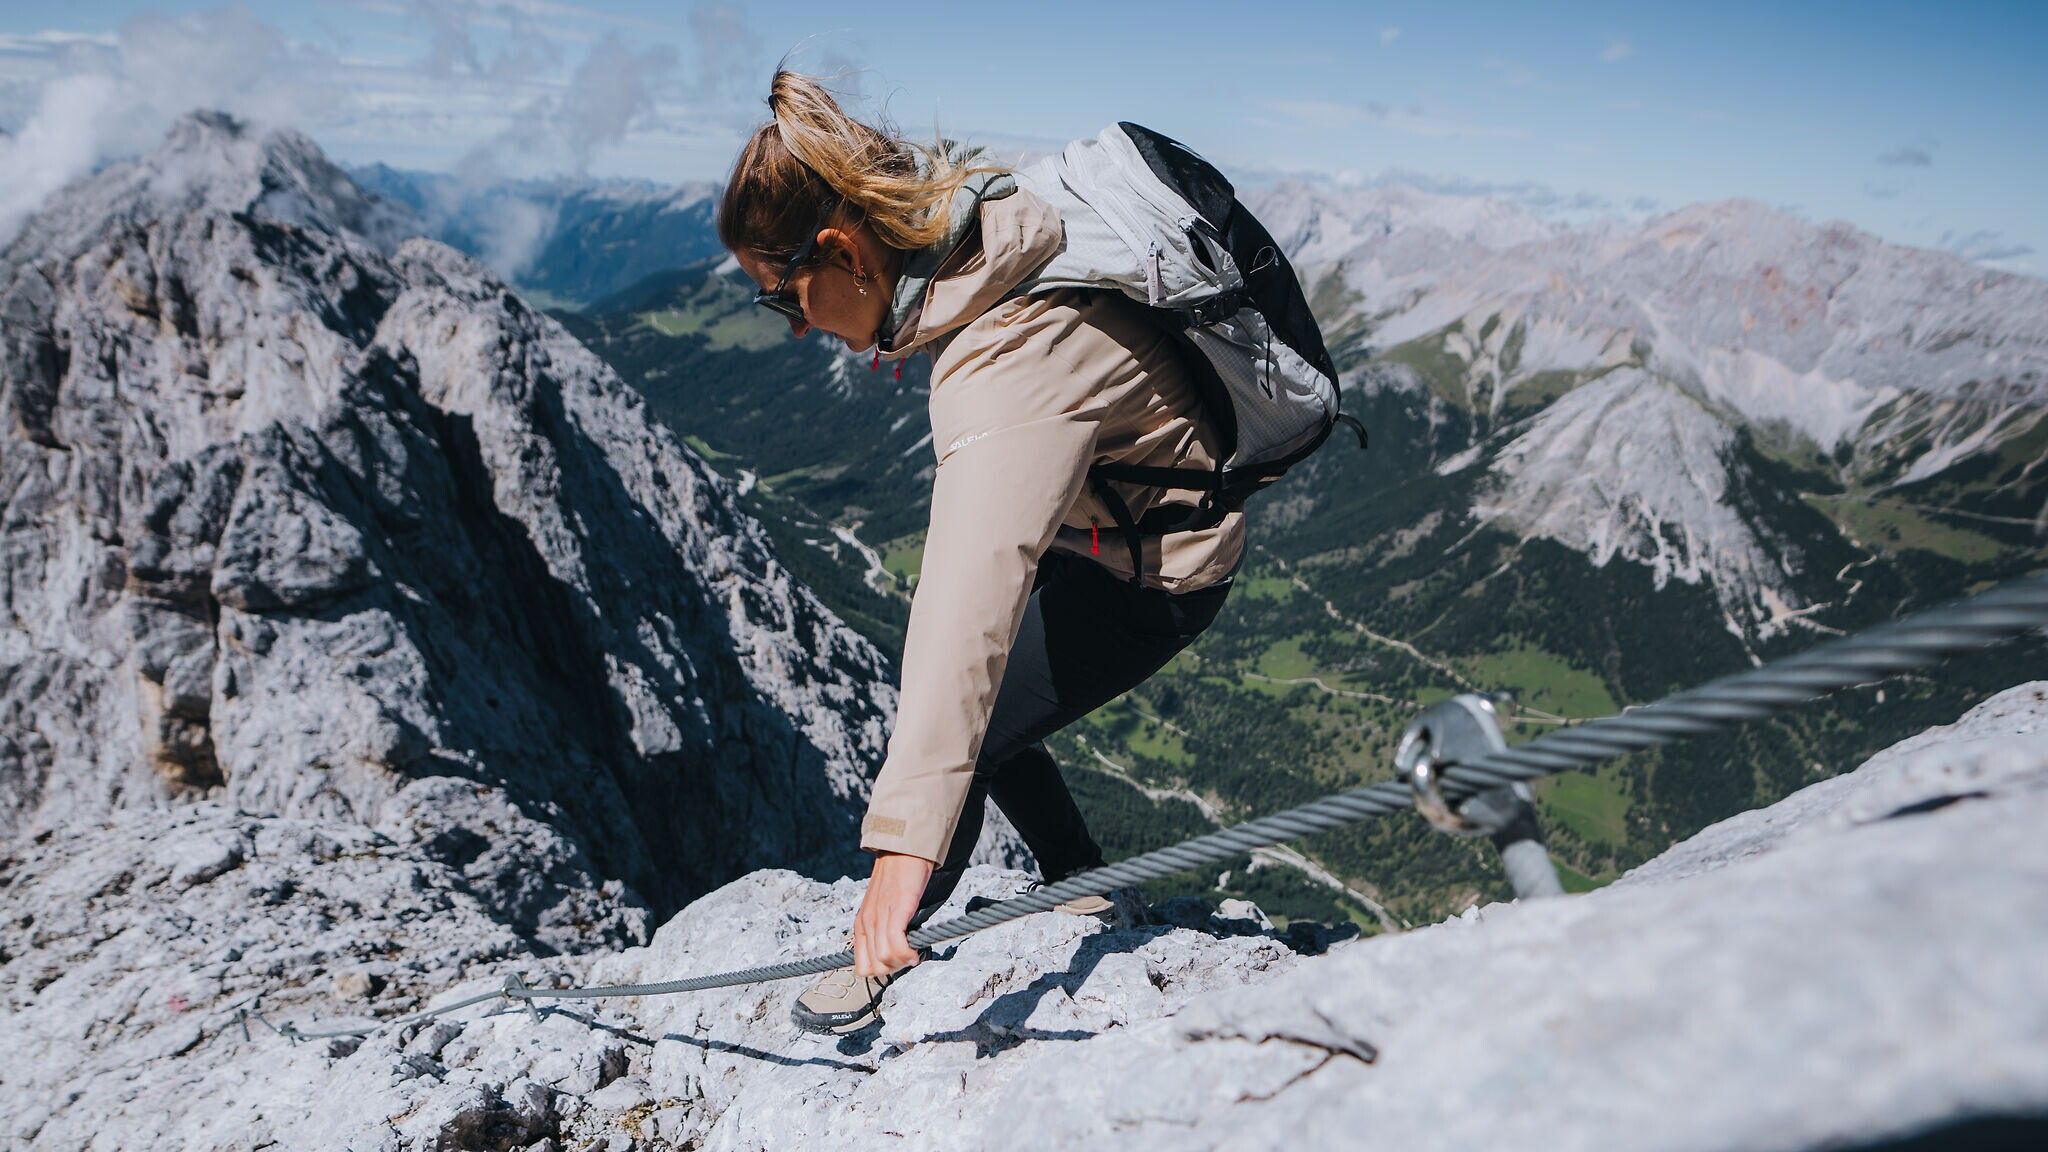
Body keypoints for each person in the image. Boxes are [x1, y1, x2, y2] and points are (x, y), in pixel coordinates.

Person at [717, 70, 1243, 1036]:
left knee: (973, 716)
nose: (793, 329)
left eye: (783, 299)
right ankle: (1077, 879)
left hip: (1159, 569)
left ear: (843, 251)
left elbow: (965, 618)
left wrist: (897, 859)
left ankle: (884, 950)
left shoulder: (1005, 355)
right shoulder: (985, 242)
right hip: (1105, 522)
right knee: (987, 703)